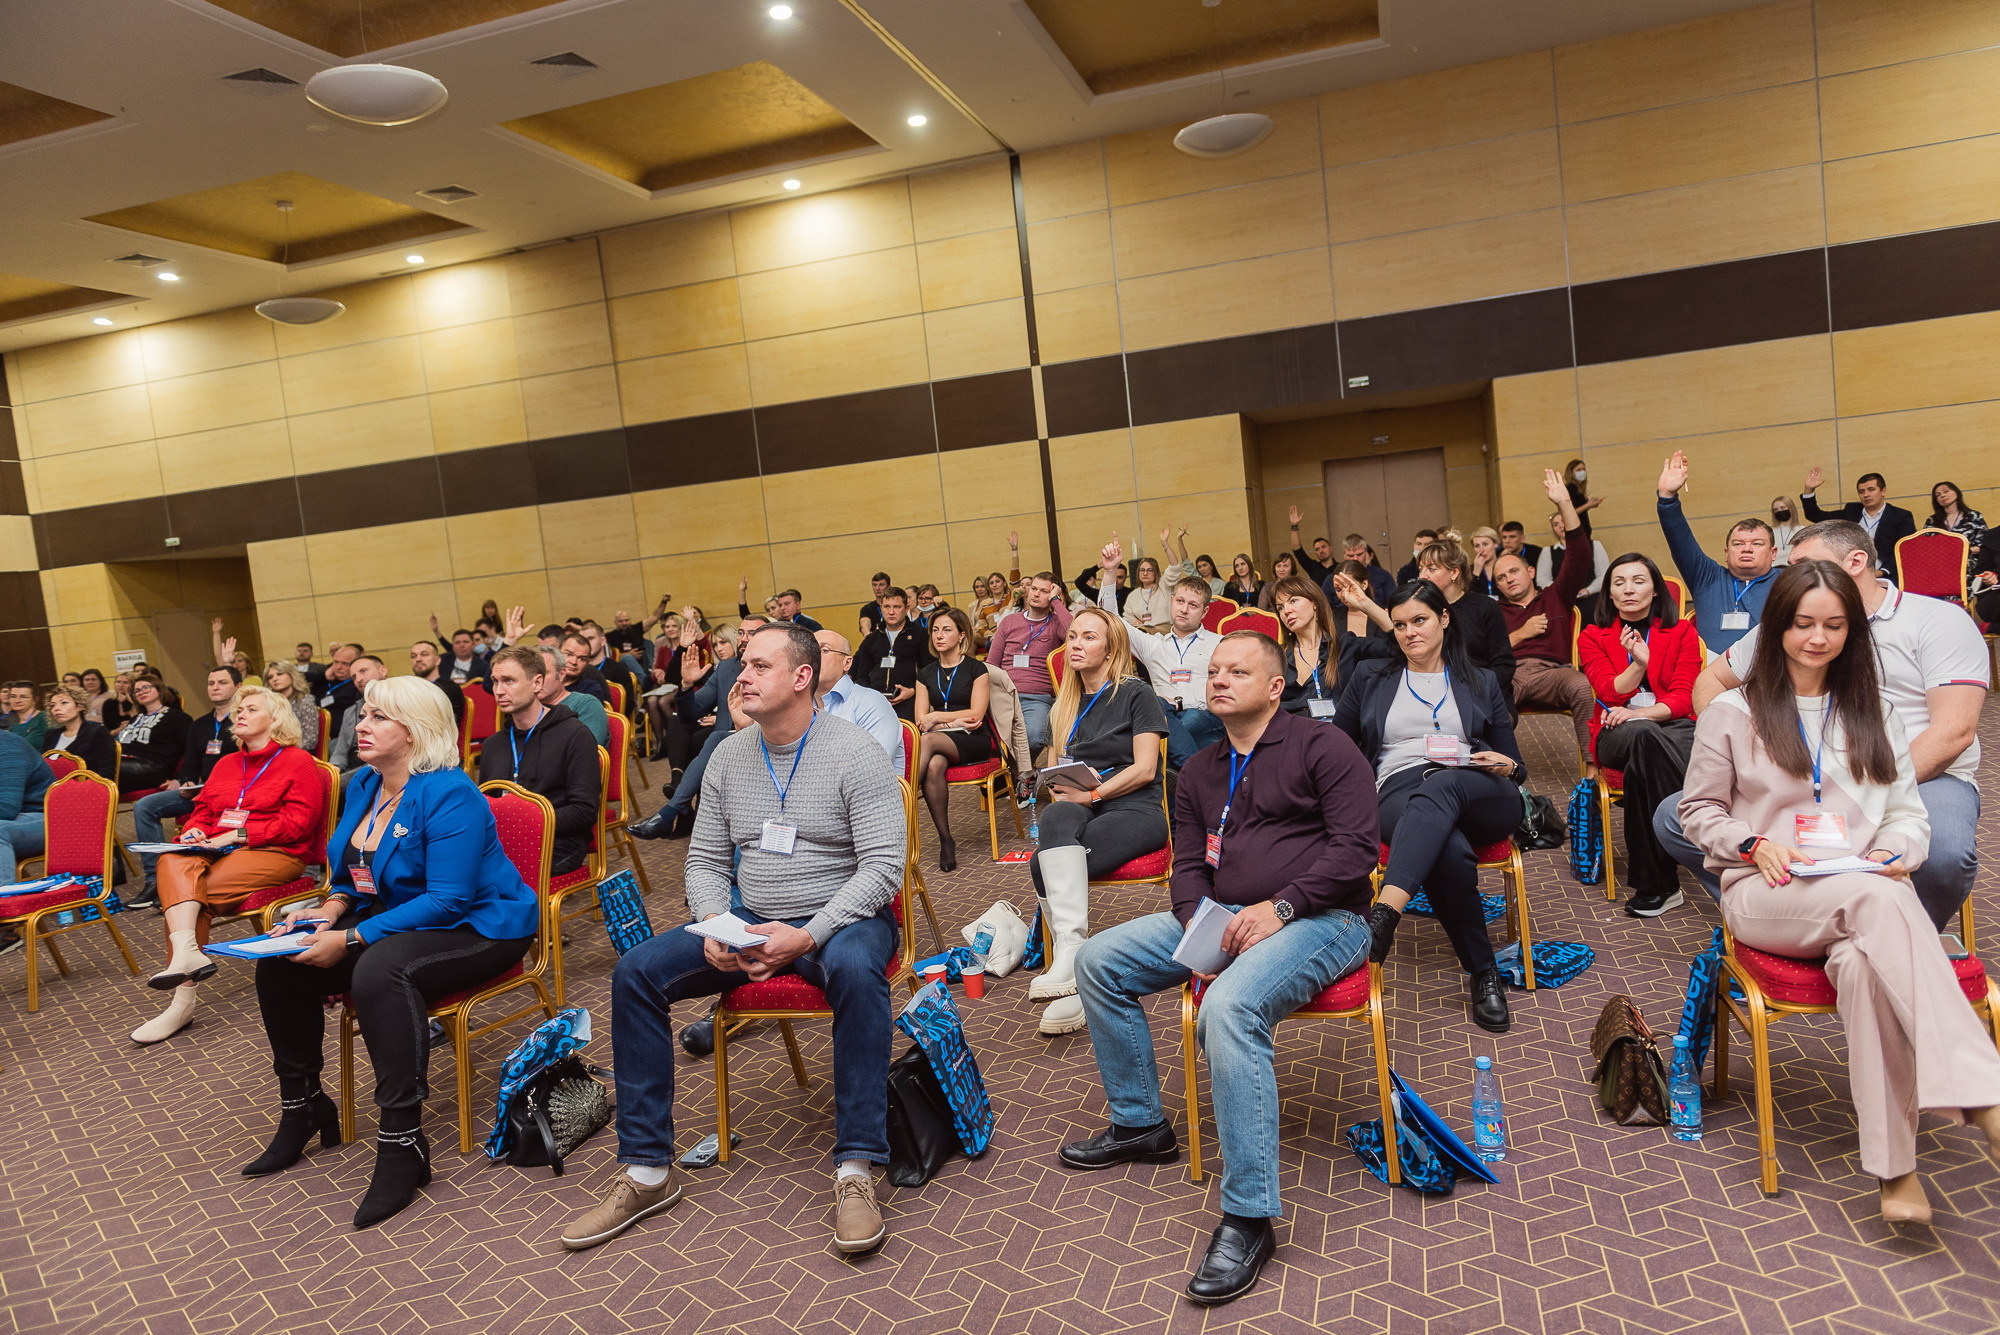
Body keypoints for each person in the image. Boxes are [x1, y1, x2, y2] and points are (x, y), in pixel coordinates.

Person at [560, 624, 905, 1255]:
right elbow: (705, 861)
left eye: (757, 666)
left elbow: (882, 868)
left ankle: (857, 1166)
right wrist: (719, 924)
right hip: (749, 917)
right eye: (741, 665)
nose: (738, 677)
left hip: (840, 918)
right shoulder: (728, 755)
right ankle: (646, 1172)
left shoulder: (855, 752)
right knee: (635, 973)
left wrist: (807, 935)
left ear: (802, 678)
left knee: (858, 974)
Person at [1676, 559, 2000, 1225]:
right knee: (1877, 902)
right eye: (1801, 624)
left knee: (1863, 965)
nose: (1817, 638)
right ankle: (1980, 1087)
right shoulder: (1733, 712)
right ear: (1776, 627)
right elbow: (1697, 812)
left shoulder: (1871, 709)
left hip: (1858, 887)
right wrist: (1753, 842)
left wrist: (1896, 849)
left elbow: (1909, 814)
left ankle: (1895, 1169)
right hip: (1767, 891)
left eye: (1833, 624)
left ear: (1852, 631)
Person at [1061, 632, 1378, 1306]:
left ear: (1274, 686)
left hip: (1325, 920)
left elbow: (1356, 852)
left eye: (1239, 670)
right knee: (1098, 959)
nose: (1221, 679)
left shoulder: (1324, 747)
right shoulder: (1201, 767)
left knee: (1227, 1007)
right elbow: (1186, 865)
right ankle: (1141, 1122)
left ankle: (1249, 1216)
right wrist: (1193, 920)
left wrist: (1282, 907)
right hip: (1225, 914)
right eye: (1215, 670)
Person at [248, 676, 538, 1228]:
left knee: (381, 971)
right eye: (365, 713)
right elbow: (349, 875)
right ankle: (303, 1106)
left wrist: (352, 938)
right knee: (281, 956)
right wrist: (330, 912)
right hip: (399, 913)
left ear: (415, 732)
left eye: (379, 717)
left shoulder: (450, 792)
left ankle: (403, 1141)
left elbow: (449, 900)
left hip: (482, 923)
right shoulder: (363, 783)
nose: (362, 725)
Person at [1657, 521, 1988, 928]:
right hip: (1802, 767)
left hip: (1921, 774)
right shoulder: (1791, 624)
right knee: (1675, 817)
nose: (1789, 577)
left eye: (1803, 564)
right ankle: (1784, 916)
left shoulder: (1938, 621)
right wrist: (1725, 746)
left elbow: (1953, 732)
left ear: (1855, 562)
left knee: (1941, 854)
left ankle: (1906, 931)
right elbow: (1712, 680)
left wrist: (1861, 792)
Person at [1335, 580, 1526, 1033]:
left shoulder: (1478, 680)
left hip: (1480, 788)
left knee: (1444, 787)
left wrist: (1510, 767)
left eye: (1419, 620)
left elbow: (1515, 762)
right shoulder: (1371, 677)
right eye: (1399, 624)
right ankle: (1484, 974)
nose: (1408, 632)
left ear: (1443, 619)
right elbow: (1337, 745)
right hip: (1398, 790)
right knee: (1448, 852)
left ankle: (1383, 915)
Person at [131, 686, 328, 1045]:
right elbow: (203, 810)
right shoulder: (226, 763)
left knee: (189, 897)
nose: (239, 714)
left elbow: (298, 825)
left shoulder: (297, 761)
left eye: (250, 709)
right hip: (213, 849)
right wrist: (193, 831)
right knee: (173, 858)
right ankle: (188, 956)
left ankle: (182, 1002)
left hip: (275, 852)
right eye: (239, 709)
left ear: (276, 719)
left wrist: (236, 834)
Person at [1024, 598, 1168, 1038]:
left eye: (1089, 637)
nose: (1076, 645)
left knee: (1040, 863)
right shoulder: (1063, 703)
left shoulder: (1135, 692)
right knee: (1053, 824)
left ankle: (1072, 969)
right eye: (1072, 637)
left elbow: (1145, 768)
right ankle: (1073, 962)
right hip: (1081, 808)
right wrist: (1062, 789)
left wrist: (1094, 794)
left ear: (1110, 648)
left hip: (1136, 809)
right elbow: (1053, 772)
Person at [1580, 553, 1702, 918]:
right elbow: (1607, 691)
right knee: (1643, 737)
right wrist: (1638, 664)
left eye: (1638, 580)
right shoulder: (1593, 636)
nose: (1629, 589)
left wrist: (1642, 715)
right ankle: (1692, 822)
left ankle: (1658, 883)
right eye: (1619, 582)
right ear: (1610, 594)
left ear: (1655, 589)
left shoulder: (1681, 631)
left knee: (1641, 764)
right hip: (1616, 731)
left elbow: (1683, 697)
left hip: (1671, 727)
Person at [627, 618, 766, 842]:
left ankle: (671, 811)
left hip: (761, 738)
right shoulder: (725, 668)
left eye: (752, 632)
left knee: (716, 740)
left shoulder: (773, 669)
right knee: (700, 738)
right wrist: (686, 685)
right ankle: (689, 825)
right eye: (741, 633)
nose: (744, 638)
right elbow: (691, 712)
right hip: (726, 745)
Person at [1497, 470, 1596, 761]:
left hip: (1552, 673)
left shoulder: (1555, 595)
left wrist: (1565, 504)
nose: (1508, 580)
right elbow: (1482, 654)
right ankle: (1497, 775)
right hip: (1509, 676)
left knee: (1580, 684)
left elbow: (1579, 555)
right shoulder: (1494, 612)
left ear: (1530, 572)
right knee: (1482, 698)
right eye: (1501, 577)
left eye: (1513, 571)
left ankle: (1592, 772)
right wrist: (1521, 633)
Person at [477, 646, 601, 878]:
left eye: (509, 681)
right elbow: (485, 806)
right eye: (495, 682)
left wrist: (523, 824)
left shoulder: (574, 734)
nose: (499, 691)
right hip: (504, 844)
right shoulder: (494, 744)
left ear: (536, 683)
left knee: (488, 879)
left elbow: (584, 811)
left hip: (557, 842)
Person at [130, 668, 241, 910]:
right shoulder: (200, 725)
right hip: (201, 793)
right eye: (211, 682)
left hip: (235, 797)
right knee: (145, 806)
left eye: (222, 682)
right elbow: (190, 762)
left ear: (238, 687)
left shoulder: (243, 722)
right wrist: (187, 781)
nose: (215, 687)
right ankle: (154, 881)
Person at [1099, 558, 1224, 769]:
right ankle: (1191, 776)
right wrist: (1110, 572)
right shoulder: (1153, 645)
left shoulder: (1219, 644)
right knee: (1158, 717)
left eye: (1193, 605)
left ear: (1204, 612)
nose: (1184, 609)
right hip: (1163, 716)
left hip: (1204, 715)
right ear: (1172, 601)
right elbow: (1111, 619)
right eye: (1180, 602)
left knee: (1158, 733)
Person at [1655, 449, 1777, 651]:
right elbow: (1679, 538)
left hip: (1768, 675)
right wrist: (1667, 497)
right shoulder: (1707, 578)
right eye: (1738, 544)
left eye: (1756, 544)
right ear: (1726, 553)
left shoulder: (1787, 581)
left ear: (1773, 553)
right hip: (1713, 678)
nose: (1746, 549)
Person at [911, 609, 996, 873]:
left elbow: (976, 714)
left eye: (946, 630)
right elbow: (920, 720)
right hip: (942, 738)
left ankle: (904, 796)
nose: (939, 636)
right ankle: (946, 839)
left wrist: (939, 717)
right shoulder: (924, 674)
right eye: (935, 630)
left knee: (927, 742)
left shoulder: (976, 668)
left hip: (974, 739)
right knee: (934, 766)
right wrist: (952, 722)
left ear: (961, 635)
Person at [985, 569, 1074, 765]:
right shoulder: (1009, 622)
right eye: (1034, 588)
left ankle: (1017, 773)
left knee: (1034, 737)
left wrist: (1056, 601)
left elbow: (1074, 633)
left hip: (1037, 698)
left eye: (1044, 591)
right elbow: (991, 664)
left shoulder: (1056, 623)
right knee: (989, 739)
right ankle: (1018, 774)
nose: (1035, 593)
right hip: (1003, 694)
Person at [1413, 535, 1516, 703]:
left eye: (1431, 569)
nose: (1422, 576)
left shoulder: (1484, 607)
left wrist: (1477, 692)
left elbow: (1504, 664)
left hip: (1483, 694)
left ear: (1454, 572)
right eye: (1421, 569)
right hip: (1434, 696)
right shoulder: (1419, 610)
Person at [1273, 573, 1378, 719]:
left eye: (1293, 601)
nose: (1286, 611)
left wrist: (1365, 604)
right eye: (1280, 608)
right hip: (1291, 735)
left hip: (1336, 734)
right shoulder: (1277, 656)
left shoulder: (1345, 646)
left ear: (1314, 603)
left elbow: (1399, 646)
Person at [1801, 466, 1917, 584]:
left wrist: (1882, 572)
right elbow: (1816, 516)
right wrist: (1809, 490)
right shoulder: (1851, 511)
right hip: (1852, 573)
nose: (1866, 495)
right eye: (1862, 491)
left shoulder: (1901, 516)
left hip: (1886, 576)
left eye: (1871, 489)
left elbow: (1907, 551)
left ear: (1883, 491)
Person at [812, 630, 902, 770]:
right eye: (809, 650)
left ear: (847, 663)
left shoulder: (871, 703)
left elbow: (872, 766)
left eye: (824, 650)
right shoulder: (799, 706)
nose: (813, 655)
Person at [851, 589, 931, 723]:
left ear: (906, 608)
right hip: (875, 699)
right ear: (881, 608)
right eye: (887, 607)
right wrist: (869, 695)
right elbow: (861, 676)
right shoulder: (871, 640)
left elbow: (928, 669)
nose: (891, 612)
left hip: (909, 697)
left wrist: (912, 690)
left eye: (897, 607)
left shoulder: (921, 635)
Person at [113, 675, 191, 794]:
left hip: (151, 768)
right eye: (137, 691)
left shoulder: (177, 717)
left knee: (101, 769)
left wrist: (181, 779)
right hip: (123, 763)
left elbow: (192, 750)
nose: (141, 692)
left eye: (146, 687)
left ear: (159, 690)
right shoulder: (135, 719)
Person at [0, 727, 52, 885]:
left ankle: (5, 901)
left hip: (45, 817)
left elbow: (7, 808)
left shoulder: (9, 747)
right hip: (17, 815)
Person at [537, 643, 609, 748]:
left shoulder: (587, 705)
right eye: (531, 675)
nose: (536, 680)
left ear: (561, 674)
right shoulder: (529, 708)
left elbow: (586, 753)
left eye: (543, 673)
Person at [327, 656, 390, 772]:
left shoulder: (400, 704)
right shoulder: (351, 711)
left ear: (383, 671)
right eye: (354, 677)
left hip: (382, 765)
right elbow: (340, 752)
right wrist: (333, 772)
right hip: (352, 766)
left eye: (363, 671)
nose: (359, 679)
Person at [43, 684, 114, 778]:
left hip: (85, 789)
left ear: (80, 706)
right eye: (53, 705)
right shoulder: (50, 735)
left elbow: (107, 772)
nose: (56, 708)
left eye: (64, 703)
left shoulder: (97, 732)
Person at [1925, 480, 1986, 575]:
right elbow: (1926, 547)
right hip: (1939, 567)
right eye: (1938, 495)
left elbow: (1984, 546)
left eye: (1946, 491)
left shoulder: (1974, 516)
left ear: (1956, 493)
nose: (1942, 496)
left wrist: (1962, 552)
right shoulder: (1932, 520)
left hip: (1968, 566)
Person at [263, 662, 322, 754]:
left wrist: (281, 753)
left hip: (299, 754)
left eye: (279, 674)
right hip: (272, 753)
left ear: (291, 675)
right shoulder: (268, 705)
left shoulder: (304, 702)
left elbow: (310, 741)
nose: (275, 679)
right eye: (270, 677)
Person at [408, 641, 466, 725]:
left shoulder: (450, 689)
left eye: (424, 654)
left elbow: (438, 723)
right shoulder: (410, 688)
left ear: (437, 660)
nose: (418, 659)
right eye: (413, 656)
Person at [1283, 505, 1337, 586]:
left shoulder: (1340, 568)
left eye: (1323, 547)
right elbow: (1297, 550)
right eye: (1317, 549)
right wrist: (1294, 526)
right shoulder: (1313, 567)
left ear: (1331, 548)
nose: (1321, 551)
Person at [319, 644, 362, 737]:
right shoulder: (326, 680)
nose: (338, 667)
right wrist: (323, 676)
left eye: (345, 663)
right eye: (336, 662)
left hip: (342, 737)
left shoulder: (359, 686)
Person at [430, 621, 491, 686]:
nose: (462, 645)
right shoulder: (441, 661)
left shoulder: (484, 665)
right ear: (453, 646)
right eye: (457, 642)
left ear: (473, 644)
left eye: (465, 642)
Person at [1123, 554, 1170, 632]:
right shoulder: (1133, 595)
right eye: (1142, 570)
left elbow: (1174, 569)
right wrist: (1135, 622)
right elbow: (1127, 616)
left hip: (1163, 629)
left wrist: (1166, 546)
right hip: (1143, 630)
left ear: (1156, 572)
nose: (1145, 573)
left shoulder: (1164, 585)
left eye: (1149, 570)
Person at [1562, 458, 1603, 540]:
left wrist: (1590, 504)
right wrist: (1588, 505)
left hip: (1583, 530)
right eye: (1578, 470)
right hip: (1577, 531)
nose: (1582, 472)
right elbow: (1570, 512)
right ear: (1571, 473)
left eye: (1584, 469)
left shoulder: (1578, 488)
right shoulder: (1571, 488)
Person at [3, 682, 48, 753]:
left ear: (35, 699)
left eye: (23, 697)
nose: (17, 701)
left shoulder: (44, 718)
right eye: (13, 696)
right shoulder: (13, 727)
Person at [1466, 528, 1502, 599]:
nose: (1481, 550)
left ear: (1495, 544)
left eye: (1485, 544)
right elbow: (1467, 597)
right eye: (1477, 546)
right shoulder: (1469, 570)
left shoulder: (1505, 566)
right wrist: (1476, 574)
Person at [857, 572, 893, 638]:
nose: (877, 588)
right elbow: (865, 624)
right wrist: (868, 635)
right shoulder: (867, 608)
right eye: (875, 585)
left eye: (881, 585)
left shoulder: (894, 607)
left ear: (888, 586)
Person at [1770, 496, 1801, 562]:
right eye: (1776, 510)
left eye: (1782, 508)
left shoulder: (1801, 530)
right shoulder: (1770, 531)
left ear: (1791, 508)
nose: (1779, 511)